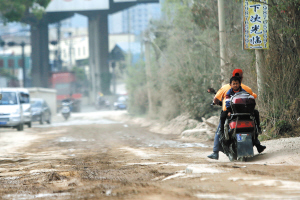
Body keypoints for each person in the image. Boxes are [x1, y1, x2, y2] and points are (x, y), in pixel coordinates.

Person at [207, 69, 266, 160]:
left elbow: (216, 99)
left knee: (219, 129)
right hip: (245, 113)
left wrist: (216, 103)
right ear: (242, 77)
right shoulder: (247, 88)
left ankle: (215, 152)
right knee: (253, 124)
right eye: (234, 83)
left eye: (236, 83)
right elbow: (254, 97)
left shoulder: (225, 88)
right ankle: (258, 139)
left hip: (232, 114)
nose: (235, 85)